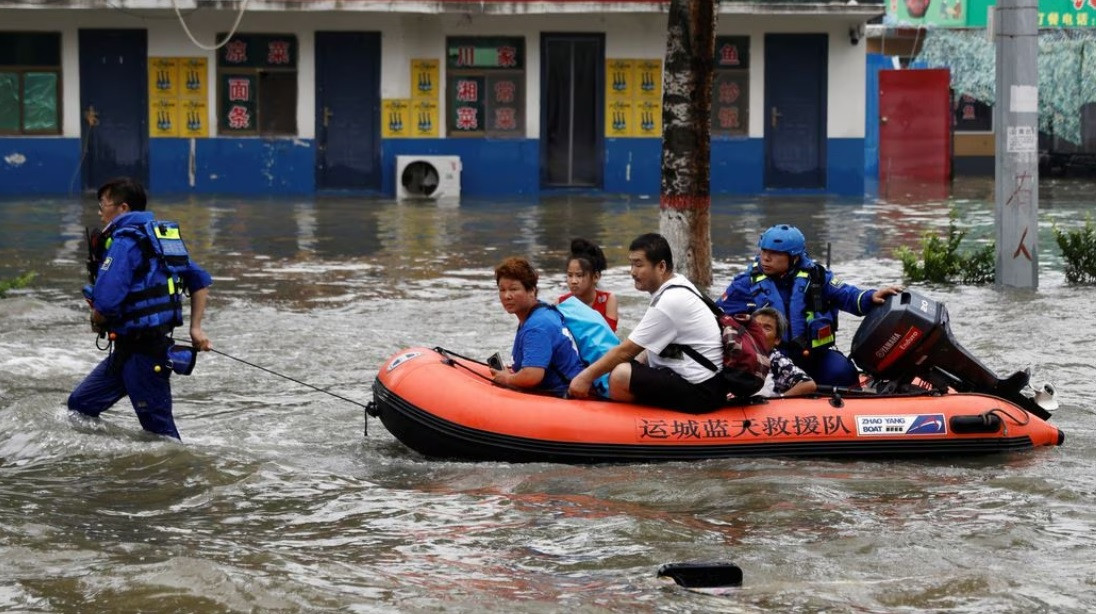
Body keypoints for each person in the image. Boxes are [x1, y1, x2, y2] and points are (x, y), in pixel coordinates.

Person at [68, 177, 213, 440]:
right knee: (80, 406)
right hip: (129, 350)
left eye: (103, 205)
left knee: (161, 434)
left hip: (146, 355)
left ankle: (176, 476)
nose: (100, 212)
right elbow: (200, 280)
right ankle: (121, 471)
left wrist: (96, 317)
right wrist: (196, 328)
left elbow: (108, 302)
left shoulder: (123, 242)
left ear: (122, 208)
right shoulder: (162, 236)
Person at [716, 224, 901, 387]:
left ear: (794, 257)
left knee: (842, 372)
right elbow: (719, 316)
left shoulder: (818, 277)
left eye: (774, 254)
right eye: (763, 251)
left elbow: (848, 296)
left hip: (812, 355)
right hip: (768, 358)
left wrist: (871, 297)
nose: (765, 258)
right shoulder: (744, 284)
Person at [568, 233, 725, 413]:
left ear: (661, 266)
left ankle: (635, 421)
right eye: (631, 264)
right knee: (632, 362)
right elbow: (646, 347)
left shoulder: (670, 300)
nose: (632, 272)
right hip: (707, 380)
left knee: (620, 375)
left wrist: (585, 378)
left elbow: (626, 350)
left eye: (639, 264)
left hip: (701, 390)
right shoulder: (678, 285)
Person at [491, 257, 584, 396]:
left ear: (531, 291)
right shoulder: (540, 311)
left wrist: (508, 379)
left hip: (565, 396)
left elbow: (532, 375)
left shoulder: (537, 326)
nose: (507, 296)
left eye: (514, 289)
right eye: (502, 290)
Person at [752, 307, 817, 398]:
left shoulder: (777, 361)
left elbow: (809, 384)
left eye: (767, 328)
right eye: (756, 326)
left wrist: (780, 398)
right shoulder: (735, 353)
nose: (759, 332)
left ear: (777, 339)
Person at [558, 238, 619, 331]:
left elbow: (609, 335)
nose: (573, 281)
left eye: (579, 275)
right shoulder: (561, 303)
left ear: (595, 277)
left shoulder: (608, 300)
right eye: (570, 275)